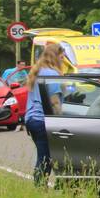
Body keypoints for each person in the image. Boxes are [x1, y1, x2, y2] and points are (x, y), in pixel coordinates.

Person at [24, 43, 66, 185]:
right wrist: (64, 121)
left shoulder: (38, 71)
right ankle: (40, 187)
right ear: (55, 57)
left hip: (31, 119)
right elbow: (54, 102)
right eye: (61, 57)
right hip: (42, 120)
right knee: (45, 157)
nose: (63, 61)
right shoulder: (52, 74)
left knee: (46, 155)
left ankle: (51, 185)